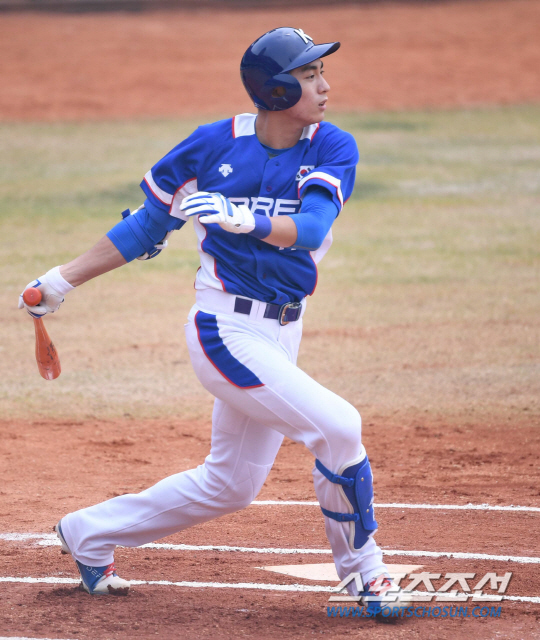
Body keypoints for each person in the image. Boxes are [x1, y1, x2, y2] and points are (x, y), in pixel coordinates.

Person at [19, 27, 407, 612]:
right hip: (224, 331)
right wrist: (57, 281)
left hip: (283, 331)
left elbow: (311, 229)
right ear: (276, 90)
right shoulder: (210, 146)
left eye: (321, 74)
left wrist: (244, 220)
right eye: (308, 77)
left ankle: (87, 532)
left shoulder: (330, 146)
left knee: (230, 485)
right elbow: (147, 227)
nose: (324, 87)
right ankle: (365, 576)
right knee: (339, 429)